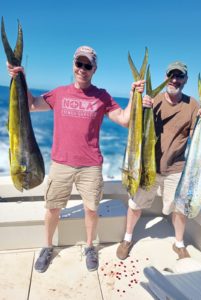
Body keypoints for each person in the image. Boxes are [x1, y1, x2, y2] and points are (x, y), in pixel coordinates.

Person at [8, 45, 145, 272]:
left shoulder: (102, 96)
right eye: (79, 64)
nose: (82, 69)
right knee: (52, 208)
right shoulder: (59, 92)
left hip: (90, 165)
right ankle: (47, 246)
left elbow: (124, 119)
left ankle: (90, 247)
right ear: (73, 65)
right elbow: (31, 104)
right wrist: (19, 76)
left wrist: (133, 96)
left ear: (94, 69)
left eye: (87, 65)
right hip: (61, 162)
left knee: (91, 209)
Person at [116, 61, 201, 260]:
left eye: (180, 76)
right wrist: (138, 104)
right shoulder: (153, 101)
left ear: (186, 80)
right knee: (136, 204)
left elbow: (195, 137)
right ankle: (127, 238)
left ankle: (179, 243)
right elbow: (132, 127)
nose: (175, 80)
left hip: (176, 169)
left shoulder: (193, 105)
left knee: (179, 209)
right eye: (172, 75)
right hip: (147, 166)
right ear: (166, 77)